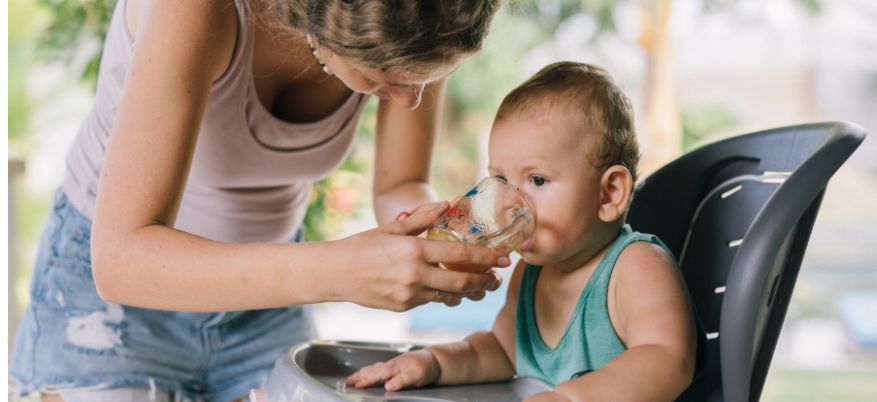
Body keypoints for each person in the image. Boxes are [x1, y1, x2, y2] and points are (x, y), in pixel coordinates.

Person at [10, 1, 512, 401]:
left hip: (266, 301)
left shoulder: (421, 15)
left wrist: (431, 235)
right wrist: (344, 271)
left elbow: (399, 182)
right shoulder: (197, 10)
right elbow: (119, 260)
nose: (410, 101)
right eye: (385, 77)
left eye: (423, 78)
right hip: (111, 308)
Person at [346, 62, 706, 401]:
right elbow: (500, 352)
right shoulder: (530, 273)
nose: (507, 201)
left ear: (609, 193)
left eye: (537, 180)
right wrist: (434, 362)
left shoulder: (636, 267)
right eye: (500, 179)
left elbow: (668, 360)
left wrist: (569, 397)